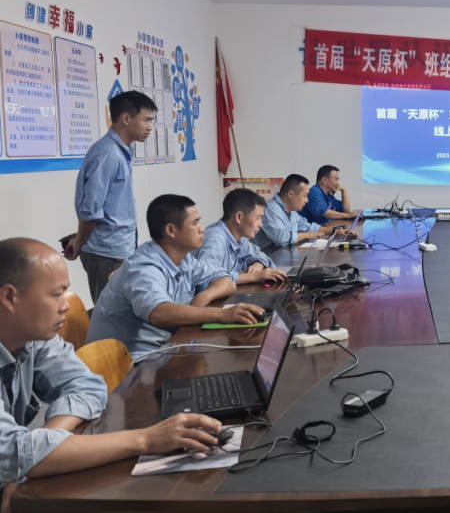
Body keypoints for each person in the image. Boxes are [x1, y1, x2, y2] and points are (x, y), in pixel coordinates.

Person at [0, 238, 229, 513]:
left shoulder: (31, 336)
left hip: (2, 483)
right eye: (56, 294)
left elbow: (87, 385)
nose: (66, 305)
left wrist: (41, 449)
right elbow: (5, 451)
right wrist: (145, 439)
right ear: (9, 297)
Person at [86, 195, 262, 355]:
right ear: (171, 230)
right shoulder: (144, 267)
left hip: (166, 346)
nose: (202, 229)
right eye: (195, 223)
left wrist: (201, 299)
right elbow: (159, 313)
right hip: (130, 364)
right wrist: (222, 315)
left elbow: (227, 281)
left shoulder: (184, 260)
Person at [64, 91, 157, 302]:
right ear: (126, 118)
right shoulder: (109, 155)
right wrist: (79, 241)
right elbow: (91, 211)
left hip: (116, 248)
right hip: (106, 254)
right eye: (146, 120)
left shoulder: (121, 151)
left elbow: (107, 208)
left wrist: (80, 237)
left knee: (121, 310)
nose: (150, 127)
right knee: (109, 312)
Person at [193, 188, 287, 286]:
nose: (261, 224)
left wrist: (258, 264)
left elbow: (259, 255)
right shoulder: (215, 240)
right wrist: (253, 277)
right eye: (258, 218)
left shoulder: (240, 238)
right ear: (239, 217)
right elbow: (207, 280)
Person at [254, 174, 334, 250]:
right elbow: (282, 238)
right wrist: (306, 235)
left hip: (284, 254)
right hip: (270, 256)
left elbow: (308, 227)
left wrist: (334, 231)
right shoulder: (271, 209)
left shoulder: (291, 211)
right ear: (291, 194)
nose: (306, 200)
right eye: (304, 196)